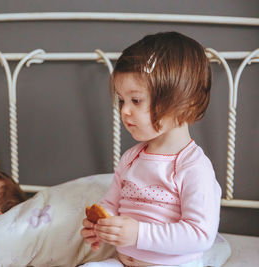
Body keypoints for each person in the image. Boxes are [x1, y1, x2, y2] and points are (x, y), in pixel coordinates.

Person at [80, 32, 221, 267]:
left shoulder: (193, 167)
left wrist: (138, 234)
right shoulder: (131, 158)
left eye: (135, 101)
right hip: (123, 261)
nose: (124, 110)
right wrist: (101, 225)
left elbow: (200, 234)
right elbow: (111, 203)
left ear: (184, 102)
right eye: (121, 100)